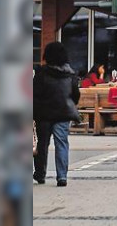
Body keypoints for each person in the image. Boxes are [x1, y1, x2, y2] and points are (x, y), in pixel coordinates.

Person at [33, 41, 81, 186]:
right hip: (63, 113)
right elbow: (75, 95)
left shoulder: (41, 73)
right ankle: (62, 177)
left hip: (44, 114)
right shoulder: (70, 74)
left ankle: (40, 174)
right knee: (62, 143)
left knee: (43, 144)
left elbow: (35, 93)